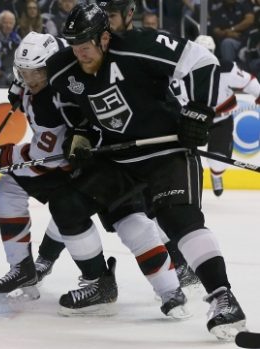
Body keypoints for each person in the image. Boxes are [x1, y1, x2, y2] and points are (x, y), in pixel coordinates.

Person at [46, 3, 246, 339]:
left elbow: (201, 60)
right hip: (118, 157)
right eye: (73, 44)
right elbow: (71, 105)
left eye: (85, 43)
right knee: (66, 205)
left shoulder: (137, 44)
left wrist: (198, 110)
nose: (79, 52)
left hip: (165, 151)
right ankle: (99, 283)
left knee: (177, 219)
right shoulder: (62, 69)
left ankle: (224, 299)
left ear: (104, 37)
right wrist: (81, 134)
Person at [0, 31, 188, 318]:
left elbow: (41, 157)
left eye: (36, 72)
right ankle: (25, 269)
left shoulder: (55, 97)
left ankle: (168, 290)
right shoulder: (49, 81)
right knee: (14, 189)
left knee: (129, 221)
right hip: (84, 163)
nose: (29, 79)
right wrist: (19, 88)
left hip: (103, 162)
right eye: (23, 72)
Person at [96, 0, 203, 292]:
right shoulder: (95, 47)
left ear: (130, 14)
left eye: (112, 16)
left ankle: (185, 267)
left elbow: (198, 63)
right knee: (142, 211)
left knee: (163, 212)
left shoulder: (143, 43)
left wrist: (196, 115)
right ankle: (181, 266)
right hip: (123, 150)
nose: (106, 22)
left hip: (157, 146)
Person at [175, 35, 260, 197]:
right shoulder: (181, 71)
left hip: (220, 120)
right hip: (190, 120)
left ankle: (217, 174)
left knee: (218, 160)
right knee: (178, 159)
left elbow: (249, 82)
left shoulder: (227, 68)